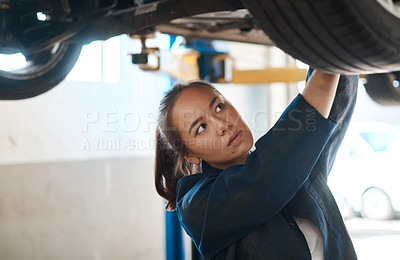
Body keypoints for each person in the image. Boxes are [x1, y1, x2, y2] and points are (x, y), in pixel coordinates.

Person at [155, 68, 359, 260]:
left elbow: (332, 111)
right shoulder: (199, 206)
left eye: (219, 106)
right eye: (201, 128)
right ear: (190, 155)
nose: (222, 124)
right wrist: (328, 63)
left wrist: (339, 48)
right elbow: (266, 176)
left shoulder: (292, 164)